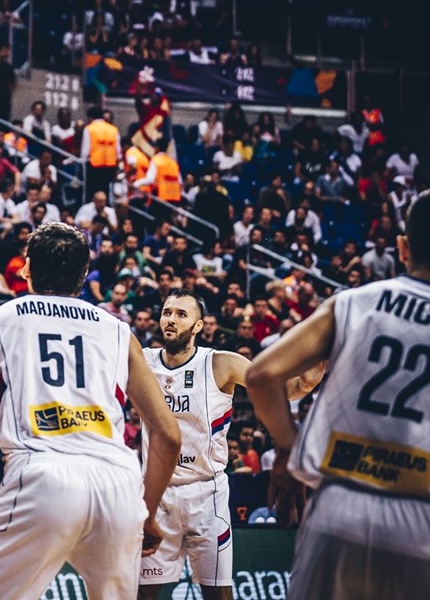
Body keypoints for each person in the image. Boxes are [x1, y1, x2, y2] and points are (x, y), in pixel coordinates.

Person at [0, 223, 182, 599]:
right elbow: (168, 435)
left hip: (41, 473)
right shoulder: (118, 331)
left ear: (25, 268)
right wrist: (145, 512)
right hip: (118, 483)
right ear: (84, 276)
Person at [245, 192, 430, 600]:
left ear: (402, 247)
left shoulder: (354, 302)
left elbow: (260, 375)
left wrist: (289, 446)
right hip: (421, 516)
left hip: (340, 504)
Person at [137, 289, 322, 600]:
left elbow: (285, 390)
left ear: (198, 326)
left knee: (219, 594)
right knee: (142, 594)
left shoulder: (220, 363)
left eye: (182, 315)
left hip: (206, 493)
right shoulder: (143, 360)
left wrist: (308, 380)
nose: (171, 320)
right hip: (158, 494)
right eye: (167, 312)